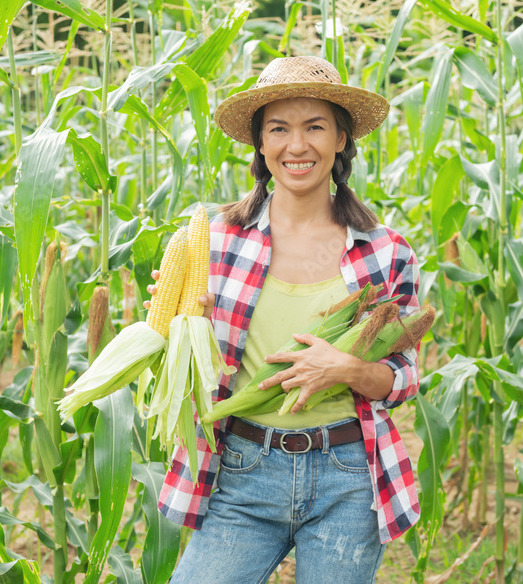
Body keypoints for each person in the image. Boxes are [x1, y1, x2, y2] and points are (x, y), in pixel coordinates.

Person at [144, 55, 421, 584]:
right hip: (244, 472)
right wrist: (179, 322)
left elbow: (403, 378)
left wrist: (344, 368)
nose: (297, 146)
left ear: (341, 138)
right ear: (260, 143)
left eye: (315, 126)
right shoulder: (217, 240)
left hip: (348, 477)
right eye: (279, 129)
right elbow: (177, 367)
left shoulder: (386, 254)